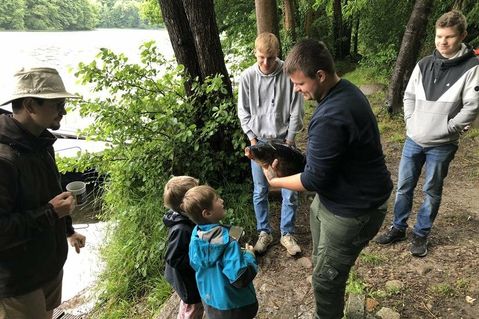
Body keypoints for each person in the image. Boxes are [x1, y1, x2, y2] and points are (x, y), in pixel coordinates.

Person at [263, 39, 393, 318]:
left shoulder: (333, 115)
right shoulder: (345, 91)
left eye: (300, 84)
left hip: (354, 210)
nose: (297, 90)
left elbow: (312, 181)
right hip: (335, 197)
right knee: (323, 260)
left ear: (320, 75)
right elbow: (324, 164)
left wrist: (275, 182)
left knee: (325, 279)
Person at [375, 10, 479, 257]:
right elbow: (408, 95)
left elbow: (472, 105)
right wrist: (410, 121)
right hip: (414, 138)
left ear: (462, 36)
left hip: (442, 144)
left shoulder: (471, 68)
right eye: (439, 36)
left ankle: (421, 234)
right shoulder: (423, 64)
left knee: (432, 190)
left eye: (449, 37)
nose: (443, 42)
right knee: (403, 187)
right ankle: (398, 227)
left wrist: (449, 128)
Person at [0, 67, 86, 319]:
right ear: (30, 105)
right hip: (19, 282)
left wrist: (68, 230)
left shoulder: (40, 141)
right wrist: (50, 212)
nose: (65, 111)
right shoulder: (4, 159)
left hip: (47, 267)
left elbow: (51, 194)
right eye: (58, 104)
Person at [237, 32, 305, 256]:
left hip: (285, 139)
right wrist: (253, 140)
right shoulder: (247, 77)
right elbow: (243, 112)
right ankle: (264, 232)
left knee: (289, 190)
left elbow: (297, 108)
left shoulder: (288, 73)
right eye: (262, 58)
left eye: (271, 58)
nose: (266, 63)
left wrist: (290, 139)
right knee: (260, 190)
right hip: (259, 141)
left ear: (278, 54)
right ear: (255, 53)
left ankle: (287, 233)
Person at [181, 185, 258, 319]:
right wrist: (249, 256)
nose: (222, 201)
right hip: (236, 307)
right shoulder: (228, 243)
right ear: (207, 213)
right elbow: (240, 278)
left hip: (211, 303)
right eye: (217, 199)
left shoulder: (195, 238)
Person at [162, 176, 204, 319]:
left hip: (190, 277)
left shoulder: (189, 217)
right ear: (183, 206)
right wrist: (198, 257)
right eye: (196, 193)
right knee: (192, 308)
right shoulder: (181, 229)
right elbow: (173, 258)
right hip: (187, 282)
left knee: (190, 307)